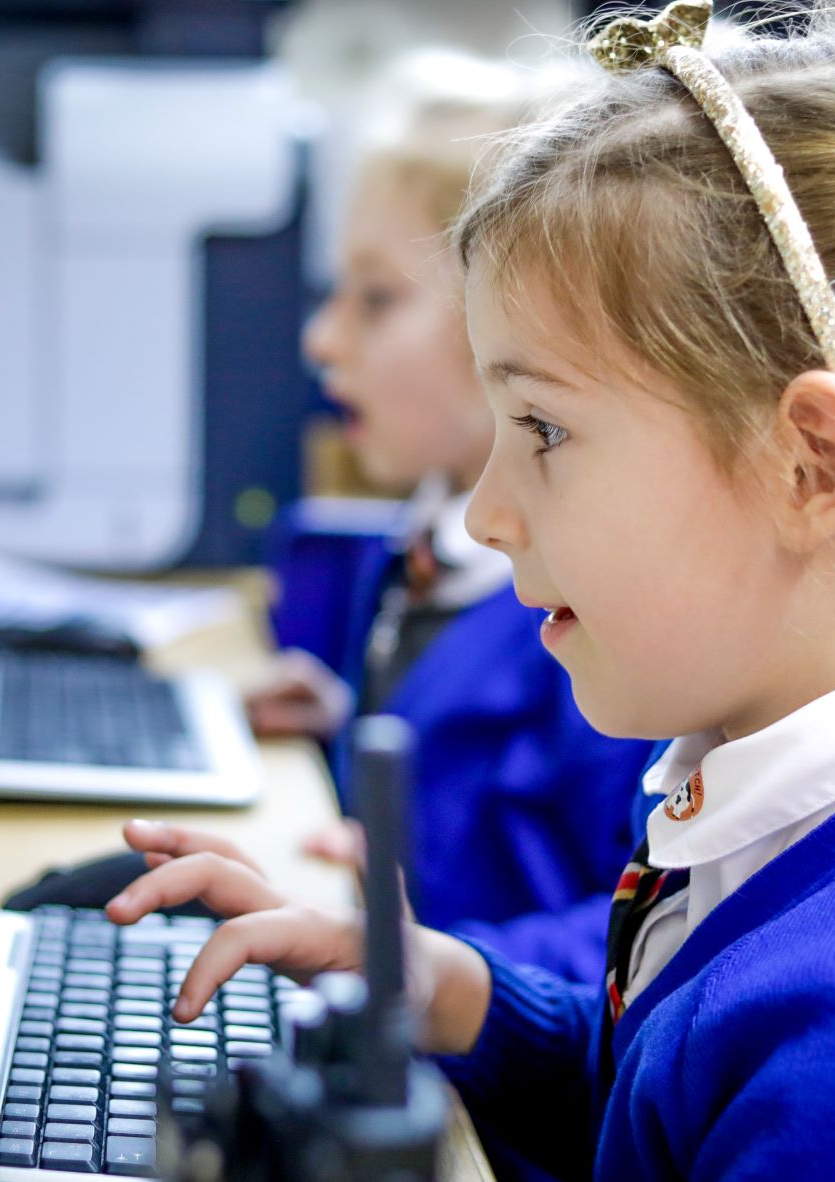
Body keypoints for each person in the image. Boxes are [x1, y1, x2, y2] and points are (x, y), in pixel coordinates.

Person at [108, 5, 835, 1176]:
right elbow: (678, 1091)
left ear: (813, 465)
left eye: (541, 429)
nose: (486, 512)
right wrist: (457, 993)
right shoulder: (819, 756)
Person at [251, 53, 657, 985]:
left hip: (486, 1085)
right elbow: (469, 796)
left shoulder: (596, 619)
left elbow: (645, 928)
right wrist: (344, 726)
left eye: (376, 297)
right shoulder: (426, 539)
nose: (321, 338)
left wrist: (426, 961)